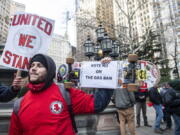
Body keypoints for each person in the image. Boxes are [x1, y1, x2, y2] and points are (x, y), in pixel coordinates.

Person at [9, 53, 114, 135]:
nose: (33, 68)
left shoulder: (65, 93)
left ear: (49, 71)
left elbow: (98, 103)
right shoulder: (19, 104)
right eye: (32, 65)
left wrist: (105, 72)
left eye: (39, 65)